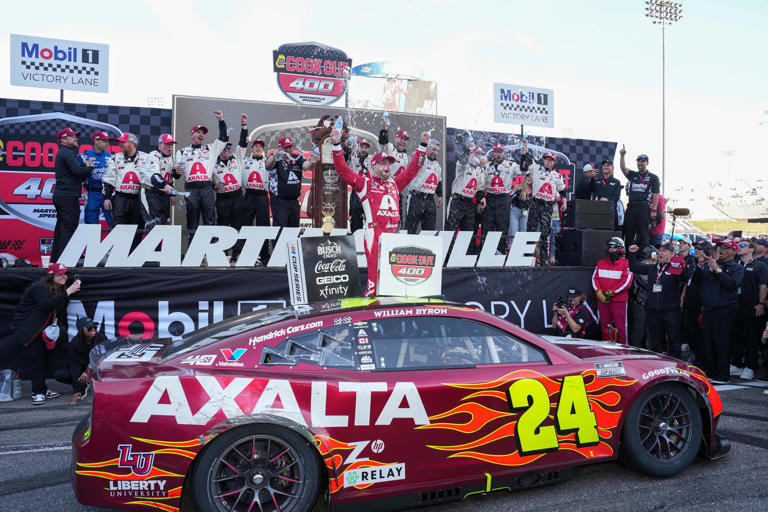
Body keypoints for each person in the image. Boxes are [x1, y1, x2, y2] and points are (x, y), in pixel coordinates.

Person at [331, 127, 428, 296]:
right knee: (374, 283)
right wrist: (336, 145)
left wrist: (422, 146)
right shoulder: (365, 183)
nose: (387, 166)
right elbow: (342, 171)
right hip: (375, 234)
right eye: (382, 163)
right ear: (373, 165)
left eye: (389, 163)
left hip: (394, 235)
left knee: (394, 280)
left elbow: (413, 170)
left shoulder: (395, 183)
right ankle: (371, 308)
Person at [10, 263, 80, 405]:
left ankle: (42, 388)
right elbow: (46, 305)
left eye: (65, 274)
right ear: (51, 276)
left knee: (44, 358)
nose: (64, 277)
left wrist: (60, 329)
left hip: (43, 328)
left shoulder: (61, 290)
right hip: (27, 328)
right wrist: (68, 292)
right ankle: (37, 392)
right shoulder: (39, 288)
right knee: (36, 359)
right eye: (60, 274)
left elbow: (60, 311)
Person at [628, 242, 690, 358]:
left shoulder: (674, 268)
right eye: (660, 250)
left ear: (672, 253)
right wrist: (632, 254)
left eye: (664, 251)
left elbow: (685, 278)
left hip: (670, 311)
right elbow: (634, 267)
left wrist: (681, 266)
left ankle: (675, 366)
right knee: (655, 341)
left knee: (673, 340)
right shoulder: (652, 267)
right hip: (653, 311)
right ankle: (657, 365)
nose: (660, 253)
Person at [695, 239, 744, 382]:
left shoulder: (736, 268)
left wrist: (717, 269)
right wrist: (700, 265)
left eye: (725, 248)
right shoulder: (710, 265)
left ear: (733, 251)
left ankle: (723, 375)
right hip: (708, 309)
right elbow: (697, 282)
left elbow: (731, 284)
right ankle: (712, 372)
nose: (721, 250)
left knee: (722, 342)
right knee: (708, 342)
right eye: (719, 247)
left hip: (725, 310)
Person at [176, 110, 229, 243]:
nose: (201, 134)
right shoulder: (181, 151)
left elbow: (223, 137)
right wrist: (176, 171)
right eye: (198, 132)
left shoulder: (210, 149)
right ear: (191, 134)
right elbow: (175, 175)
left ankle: (212, 254)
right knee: (192, 221)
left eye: (203, 133)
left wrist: (221, 120)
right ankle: (193, 256)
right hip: (191, 188)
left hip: (206, 188)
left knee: (210, 220)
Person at [51, 128, 94, 262]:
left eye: (75, 136)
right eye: (71, 137)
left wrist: (85, 168)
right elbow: (77, 170)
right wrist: (90, 167)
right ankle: (65, 261)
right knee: (68, 229)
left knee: (61, 229)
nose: (76, 138)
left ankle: (56, 260)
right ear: (63, 140)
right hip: (67, 197)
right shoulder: (67, 152)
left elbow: (75, 171)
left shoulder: (65, 152)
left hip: (63, 196)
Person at [729, 241, 768, 380]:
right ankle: (737, 364)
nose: (739, 247)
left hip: (752, 307)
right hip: (735, 306)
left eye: (743, 245)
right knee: (736, 336)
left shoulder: (760, 266)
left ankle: (750, 366)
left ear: (751, 249)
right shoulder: (734, 264)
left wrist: (761, 303)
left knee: (751, 337)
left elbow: (763, 286)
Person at [481, 143, 529, 253]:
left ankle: (501, 252)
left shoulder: (511, 165)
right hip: (490, 198)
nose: (498, 154)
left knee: (502, 227)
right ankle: (485, 252)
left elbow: (523, 170)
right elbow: (481, 184)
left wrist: (524, 155)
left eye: (500, 152)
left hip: (503, 199)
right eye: (496, 152)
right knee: (487, 226)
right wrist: (481, 199)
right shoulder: (486, 166)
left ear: (504, 153)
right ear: (493, 153)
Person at [102, 133, 148, 248]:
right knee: (118, 227)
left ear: (132, 143)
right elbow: (108, 179)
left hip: (138, 198)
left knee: (138, 228)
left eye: (123, 142)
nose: (120, 144)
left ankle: (133, 257)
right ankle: (118, 258)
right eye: (120, 142)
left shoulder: (146, 158)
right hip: (120, 198)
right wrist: (107, 197)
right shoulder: (115, 158)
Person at [235, 114, 270, 264]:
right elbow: (242, 143)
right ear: (252, 148)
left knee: (263, 227)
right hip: (248, 195)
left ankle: (265, 256)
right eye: (256, 146)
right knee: (245, 226)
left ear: (263, 149)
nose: (258, 148)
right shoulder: (245, 161)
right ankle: (244, 255)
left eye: (260, 147)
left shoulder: (269, 162)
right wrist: (244, 125)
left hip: (262, 196)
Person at [265, 136, 315, 227]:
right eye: (285, 147)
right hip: (279, 201)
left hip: (294, 201)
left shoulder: (297, 158)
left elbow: (306, 166)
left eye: (290, 147)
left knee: (293, 229)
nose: (288, 150)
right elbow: (268, 165)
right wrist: (274, 157)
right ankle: (277, 242)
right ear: (279, 148)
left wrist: (313, 160)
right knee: (280, 230)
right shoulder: (275, 158)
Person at [55, 317, 106, 405]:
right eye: (89, 328)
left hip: (98, 367)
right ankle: (83, 384)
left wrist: (88, 371)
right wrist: (77, 390)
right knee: (60, 374)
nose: (93, 329)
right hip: (82, 370)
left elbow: (105, 357)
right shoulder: (74, 344)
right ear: (82, 330)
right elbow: (74, 368)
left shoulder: (101, 338)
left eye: (94, 326)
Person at [527, 152, 566, 266]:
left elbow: (562, 190)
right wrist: (525, 152)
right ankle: (528, 259)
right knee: (531, 231)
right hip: (536, 203)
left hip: (548, 206)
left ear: (554, 162)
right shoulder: (536, 171)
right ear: (543, 160)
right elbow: (526, 166)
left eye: (551, 160)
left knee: (545, 234)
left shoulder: (557, 175)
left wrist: (564, 201)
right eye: (546, 160)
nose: (548, 162)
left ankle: (544, 261)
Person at [592, 237, 633, 344]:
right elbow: (594, 278)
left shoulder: (626, 263)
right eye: (609, 246)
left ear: (621, 249)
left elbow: (626, 282)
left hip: (619, 301)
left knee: (621, 328)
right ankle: (607, 350)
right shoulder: (601, 262)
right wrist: (599, 293)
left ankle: (623, 350)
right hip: (603, 300)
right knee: (605, 328)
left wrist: (611, 292)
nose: (610, 249)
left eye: (613, 247)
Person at [619, 146, 660, 248]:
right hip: (631, 207)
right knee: (629, 233)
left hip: (644, 207)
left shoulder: (653, 177)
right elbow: (623, 168)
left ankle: (643, 257)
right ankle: (628, 258)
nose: (640, 163)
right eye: (639, 161)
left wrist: (654, 210)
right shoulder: (633, 175)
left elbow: (656, 193)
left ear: (647, 163)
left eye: (643, 161)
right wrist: (622, 155)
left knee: (643, 233)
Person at [139, 133, 179, 230]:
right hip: (150, 193)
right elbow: (155, 176)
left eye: (171, 144)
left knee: (162, 226)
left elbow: (169, 177)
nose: (170, 147)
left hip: (163, 195)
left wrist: (176, 173)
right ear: (159, 144)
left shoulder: (170, 158)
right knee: (153, 225)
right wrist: (166, 186)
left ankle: (159, 246)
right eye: (167, 144)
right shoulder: (153, 156)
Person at [405, 139, 442, 234]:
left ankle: (427, 248)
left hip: (430, 199)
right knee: (410, 228)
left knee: (429, 231)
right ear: (427, 148)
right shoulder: (421, 160)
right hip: (416, 197)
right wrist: (423, 144)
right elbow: (417, 159)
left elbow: (438, 182)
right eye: (433, 149)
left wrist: (440, 195)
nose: (435, 152)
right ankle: (406, 248)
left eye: (437, 151)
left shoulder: (437, 166)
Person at [446, 146, 486, 234]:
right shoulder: (462, 165)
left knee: (468, 233)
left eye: (480, 155)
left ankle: (466, 248)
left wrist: (482, 198)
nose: (478, 157)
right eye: (476, 154)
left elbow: (479, 188)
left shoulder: (481, 170)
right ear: (471, 154)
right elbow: (462, 161)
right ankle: (448, 248)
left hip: (469, 203)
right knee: (450, 231)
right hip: (456, 201)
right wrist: (467, 150)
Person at [80, 131, 113, 227]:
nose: (108, 144)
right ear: (96, 141)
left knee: (114, 224)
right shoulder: (83, 157)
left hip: (108, 194)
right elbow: (77, 175)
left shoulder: (111, 157)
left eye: (108, 141)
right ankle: (90, 242)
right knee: (90, 226)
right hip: (91, 194)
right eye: (104, 141)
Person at [628, 245, 657, 348]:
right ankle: (635, 350)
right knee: (639, 329)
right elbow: (648, 283)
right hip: (640, 302)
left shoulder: (653, 266)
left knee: (650, 330)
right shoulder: (641, 266)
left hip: (649, 303)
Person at [213, 140, 243, 232]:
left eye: (228, 147)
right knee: (223, 227)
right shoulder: (212, 162)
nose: (227, 149)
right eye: (224, 148)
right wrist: (214, 186)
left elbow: (243, 143)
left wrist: (244, 126)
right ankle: (222, 246)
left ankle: (238, 246)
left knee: (238, 225)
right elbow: (204, 179)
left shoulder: (237, 157)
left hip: (237, 197)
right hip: (223, 198)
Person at [348, 138, 373, 233]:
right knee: (355, 221)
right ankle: (356, 239)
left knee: (371, 220)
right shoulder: (353, 159)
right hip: (356, 193)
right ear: (358, 147)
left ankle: (370, 241)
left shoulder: (372, 160)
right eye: (362, 147)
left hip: (369, 193)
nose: (364, 149)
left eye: (366, 148)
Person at [509, 174, 532, 243]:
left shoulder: (534, 189)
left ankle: (521, 251)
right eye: (527, 176)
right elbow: (510, 197)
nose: (529, 178)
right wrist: (514, 190)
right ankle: (511, 249)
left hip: (525, 212)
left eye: (531, 177)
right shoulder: (519, 186)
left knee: (523, 232)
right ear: (525, 178)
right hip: (515, 211)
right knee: (513, 232)